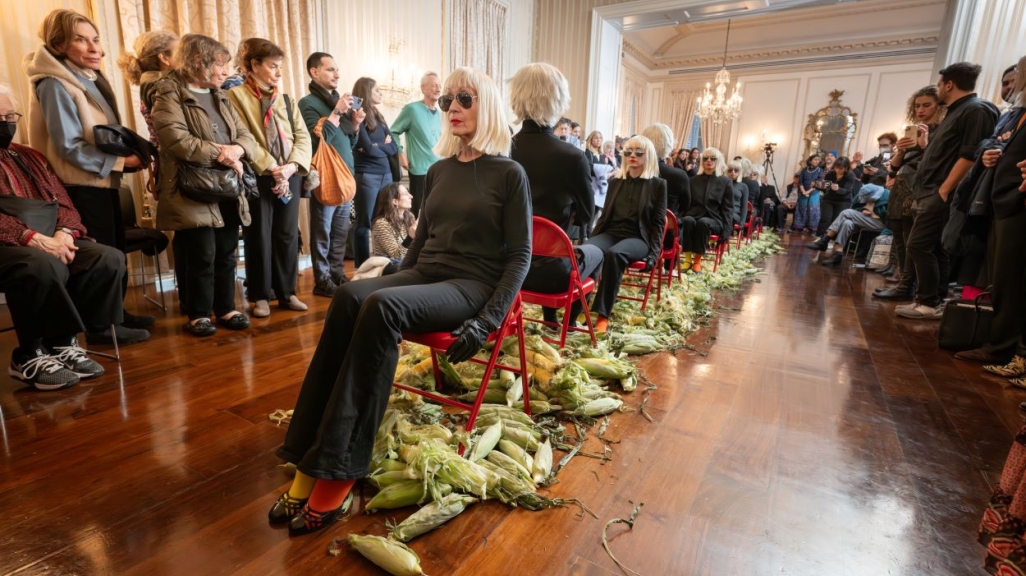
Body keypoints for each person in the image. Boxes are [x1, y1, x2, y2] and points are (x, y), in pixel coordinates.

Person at [270, 67, 531, 536]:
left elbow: (521, 255)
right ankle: (309, 450)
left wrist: (488, 319)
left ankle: (340, 468)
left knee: (382, 308)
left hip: (471, 283)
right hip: (427, 271)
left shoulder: (509, 173)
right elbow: (421, 241)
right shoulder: (440, 170)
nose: (452, 106)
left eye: (464, 99)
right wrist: (396, 274)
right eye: (449, 98)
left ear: (486, 106)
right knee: (351, 294)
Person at [24, 8, 152, 345]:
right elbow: (68, 145)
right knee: (99, 257)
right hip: (77, 184)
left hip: (99, 180)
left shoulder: (84, 77)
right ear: (58, 43)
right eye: (81, 39)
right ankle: (101, 328)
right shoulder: (53, 82)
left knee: (115, 249)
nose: (94, 47)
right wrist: (122, 163)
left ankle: (116, 315)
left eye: (95, 39)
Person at [0, 85, 120, 390]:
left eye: (10, 115)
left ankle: (64, 342)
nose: (6, 123)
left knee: (106, 259)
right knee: (38, 264)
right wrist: (31, 238)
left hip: (51, 237)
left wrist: (64, 234)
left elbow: (64, 203)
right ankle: (29, 353)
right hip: (9, 246)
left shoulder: (31, 157)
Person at [151, 34, 258, 337]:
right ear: (198, 62)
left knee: (226, 251)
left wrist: (237, 150)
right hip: (192, 188)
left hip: (225, 184)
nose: (226, 72)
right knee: (202, 254)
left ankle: (226, 307)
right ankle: (198, 313)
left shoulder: (220, 94)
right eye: (220, 65)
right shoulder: (168, 93)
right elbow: (175, 139)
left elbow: (245, 135)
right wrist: (222, 153)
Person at [896, 62, 998, 321]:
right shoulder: (955, 111)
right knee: (935, 248)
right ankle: (934, 302)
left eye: (940, 84)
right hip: (930, 190)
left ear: (949, 85)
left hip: (942, 192)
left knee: (918, 245)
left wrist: (944, 190)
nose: (937, 89)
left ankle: (927, 302)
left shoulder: (976, 110)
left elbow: (970, 154)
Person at [508, 62, 602, 327]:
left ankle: (550, 319)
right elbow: (586, 216)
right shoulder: (572, 156)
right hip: (551, 275)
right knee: (596, 253)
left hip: (505, 271)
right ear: (558, 101)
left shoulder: (502, 149)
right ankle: (568, 324)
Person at [228, 38, 312, 318]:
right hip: (259, 175)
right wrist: (272, 167)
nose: (278, 72)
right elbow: (244, 136)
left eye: (280, 67)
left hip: (290, 174)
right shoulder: (234, 96)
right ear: (253, 65)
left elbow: (302, 136)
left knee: (287, 235)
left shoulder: (285, 98)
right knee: (259, 235)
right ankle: (261, 295)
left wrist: (289, 169)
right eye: (273, 66)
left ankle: (287, 292)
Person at [583, 135, 666, 333]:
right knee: (586, 251)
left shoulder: (657, 184)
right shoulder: (615, 183)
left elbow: (658, 223)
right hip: (611, 232)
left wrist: (654, 255)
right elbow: (604, 218)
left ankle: (603, 314)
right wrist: (591, 239)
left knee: (614, 254)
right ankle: (580, 307)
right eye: (628, 152)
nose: (632, 156)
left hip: (638, 237)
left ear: (649, 156)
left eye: (639, 152)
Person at [298, 51, 365, 297]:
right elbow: (318, 139)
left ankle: (337, 273)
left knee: (339, 231)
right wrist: (336, 112)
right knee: (322, 231)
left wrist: (355, 123)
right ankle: (322, 279)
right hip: (325, 174)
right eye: (330, 69)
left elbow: (349, 140)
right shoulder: (308, 103)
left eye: (337, 69)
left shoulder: (339, 102)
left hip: (346, 174)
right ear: (314, 72)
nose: (337, 74)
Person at [874, 85, 945, 300]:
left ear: (938, 106)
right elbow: (894, 169)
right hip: (901, 186)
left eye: (926, 105)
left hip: (919, 188)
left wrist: (925, 145)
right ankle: (903, 283)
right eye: (917, 105)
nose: (921, 109)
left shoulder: (941, 131)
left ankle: (907, 285)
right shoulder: (913, 131)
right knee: (899, 236)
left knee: (911, 239)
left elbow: (938, 163)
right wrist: (901, 151)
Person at [350, 76, 398, 267]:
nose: (380, 93)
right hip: (367, 175)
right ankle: (362, 266)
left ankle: (385, 263)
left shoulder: (379, 115)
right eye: (377, 90)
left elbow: (393, 146)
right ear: (366, 92)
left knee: (385, 220)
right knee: (364, 223)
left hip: (386, 174)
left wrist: (376, 146)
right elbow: (367, 149)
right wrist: (378, 146)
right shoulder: (357, 115)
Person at [390, 72, 442, 217]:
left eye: (439, 86)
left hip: (440, 170)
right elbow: (392, 132)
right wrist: (400, 154)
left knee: (437, 213)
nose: (438, 89)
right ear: (423, 88)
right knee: (417, 214)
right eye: (434, 86)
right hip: (420, 171)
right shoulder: (411, 109)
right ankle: (412, 240)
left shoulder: (441, 115)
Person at [117, 30, 178, 147]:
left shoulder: (158, 85)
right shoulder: (161, 89)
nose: (185, 56)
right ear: (164, 58)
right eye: (179, 52)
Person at [680, 147, 734, 273]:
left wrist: (727, 230)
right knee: (687, 220)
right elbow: (686, 203)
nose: (709, 161)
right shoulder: (693, 180)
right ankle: (688, 260)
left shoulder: (725, 182)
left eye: (713, 158)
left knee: (703, 222)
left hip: (714, 219)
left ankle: (697, 261)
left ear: (718, 161)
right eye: (705, 158)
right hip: (694, 215)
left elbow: (728, 208)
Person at [808, 183, 889, 265]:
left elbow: (888, 215)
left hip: (879, 222)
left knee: (846, 212)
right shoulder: (863, 193)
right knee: (847, 223)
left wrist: (873, 212)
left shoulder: (887, 196)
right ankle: (838, 254)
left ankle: (825, 239)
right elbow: (855, 207)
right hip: (863, 220)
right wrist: (862, 209)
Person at [642, 123, 690, 218]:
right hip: (667, 226)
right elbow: (685, 206)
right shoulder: (679, 175)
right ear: (669, 144)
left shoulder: (634, 171)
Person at [370, 182, 416, 270]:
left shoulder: (410, 217)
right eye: (405, 194)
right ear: (395, 201)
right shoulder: (381, 223)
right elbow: (396, 256)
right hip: (387, 266)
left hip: (406, 262)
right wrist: (410, 238)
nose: (411, 196)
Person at [815, 155, 857, 237]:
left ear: (846, 167)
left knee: (836, 220)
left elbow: (847, 190)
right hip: (829, 199)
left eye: (841, 168)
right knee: (825, 218)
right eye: (836, 167)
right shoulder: (830, 173)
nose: (838, 170)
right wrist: (817, 185)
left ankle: (830, 239)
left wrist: (838, 189)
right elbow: (825, 187)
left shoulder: (851, 175)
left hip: (843, 201)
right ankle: (819, 237)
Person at [793, 154, 823, 233]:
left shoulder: (820, 170)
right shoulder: (804, 169)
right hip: (803, 191)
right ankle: (799, 227)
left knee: (812, 209)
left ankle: (812, 228)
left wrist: (808, 192)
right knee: (801, 208)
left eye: (818, 160)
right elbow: (800, 182)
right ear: (810, 160)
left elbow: (818, 183)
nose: (817, 161)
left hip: (814, 192)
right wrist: (803, 192)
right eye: (815, 159)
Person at [726, 159, 748, 230]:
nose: (733, 172)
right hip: (723, 212)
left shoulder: (743, 186)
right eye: (730, 170)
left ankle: (724, 238)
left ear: (739, 172)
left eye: (736, 170)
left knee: (728, 217)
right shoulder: (723, 184)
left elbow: (744, 206)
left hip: (735, 214)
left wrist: (742, 222)